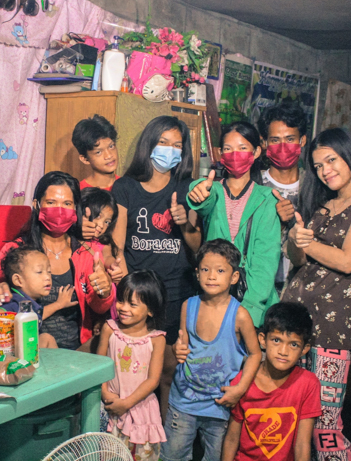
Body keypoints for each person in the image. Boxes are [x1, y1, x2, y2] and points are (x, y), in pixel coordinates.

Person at [282, 127, 351, 461]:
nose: (326, 170)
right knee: (293, 415)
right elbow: (299, 261)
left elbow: (348, 260)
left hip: (334, 325)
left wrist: (308, 243)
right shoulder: (323, 205)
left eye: (332, 160)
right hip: (295, 320)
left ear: (349, 155)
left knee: (326, 423)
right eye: (319, 166)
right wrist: (296, 241)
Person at [111, 115, 201, 417]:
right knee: (133, 364)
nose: (170, 150)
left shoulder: (187, 187)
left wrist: (183, 222)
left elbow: (196, 245)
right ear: (149, 144)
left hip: (177, 290)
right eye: (163, 142)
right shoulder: (125, 186)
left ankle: (162, 429)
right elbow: (119, 234)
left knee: (168, 369)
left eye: (177, 145)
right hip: (139, 293)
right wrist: (119, 261)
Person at [0, 171, 115, 351]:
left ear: (75, 208)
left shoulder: (86, 253)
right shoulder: (16, 250)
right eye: (51, 202)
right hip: (25, 349)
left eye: (67, 203)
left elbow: (99, 308)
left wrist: (104, 291)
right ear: (37, 205)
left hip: (76, 352)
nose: (60, 210)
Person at [162, 240, 261, 461]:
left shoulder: (240, 315)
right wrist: (178, 350)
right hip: (184, 401)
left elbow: (255, 354)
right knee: (172, 456)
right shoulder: (188, 306)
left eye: (220, 270)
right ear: (197, 273)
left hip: (220, 404)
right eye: (205, 269)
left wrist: (241, 388)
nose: (211, 276)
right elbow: (182, 344)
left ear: (234, 277)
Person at [187, 121, 280, 328]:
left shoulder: (267, 199)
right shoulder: (214, 190)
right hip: (212, 300)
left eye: (242, 148)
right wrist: (197, 190)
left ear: (256, 152)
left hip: (252, 306)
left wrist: (246, 314)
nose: (234, 154)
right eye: (228, 149)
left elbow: (265, 262)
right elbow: (203, 199)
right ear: (220, 154)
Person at [221, 302, 322, 461]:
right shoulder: (243, 381)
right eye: (276, 340)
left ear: (304, 349)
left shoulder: (308, 384)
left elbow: (302, 443)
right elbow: (232, 438)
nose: (283, 351)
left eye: (293, 344)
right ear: (262, 340)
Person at [97, 270, 167, 461]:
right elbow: (99, 365)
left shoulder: (157, 339)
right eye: (121, 300)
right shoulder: (110, 329)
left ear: (150, 310)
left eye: (133, 304)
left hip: (141, 411)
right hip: (110, 407)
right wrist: (105, 394)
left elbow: (153, 380)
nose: (123, 308)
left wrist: (126, 403)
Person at [258, 103, 308, 294]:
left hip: (303, 292)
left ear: (302, 140)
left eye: (290, 139)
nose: (283, 147)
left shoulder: (315, 187)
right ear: (264, 143)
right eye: (275, 140)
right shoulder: (255, 186)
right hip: (262, 291)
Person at [0, 245, 57, 348]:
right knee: (47, 338)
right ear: (18, 280)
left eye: (49, 272)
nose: (47, 277)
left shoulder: (31, 302)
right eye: (39, 272)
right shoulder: (16, 302)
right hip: (16, 354)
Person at [71, 114, 118, 191]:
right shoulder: (78, 191)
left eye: (111, 146)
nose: (109, 155)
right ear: (85, 159)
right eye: (99, 152)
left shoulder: (129, 186)